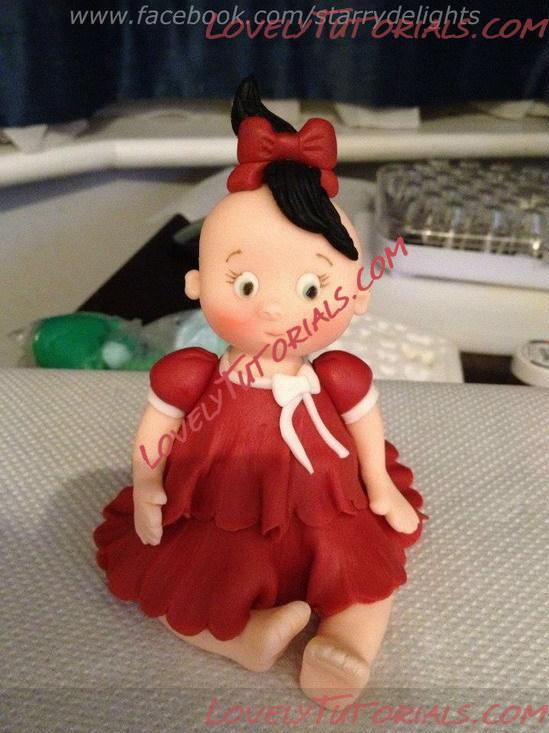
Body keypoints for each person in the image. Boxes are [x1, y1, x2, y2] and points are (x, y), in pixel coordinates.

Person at [94, 77, 426, 708]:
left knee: (362, 574)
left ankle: (347, 646)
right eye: (244, 284)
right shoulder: (191, 373)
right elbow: (155, 434)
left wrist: (379, 486)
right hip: (216, 499)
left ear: (358, 294)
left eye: (311, 289)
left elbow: (365, 431)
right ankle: (244, 639)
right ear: (196, 284)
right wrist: (146, 484)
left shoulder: (340, 375)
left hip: (327, 495)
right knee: (184, 585)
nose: (274, 307)